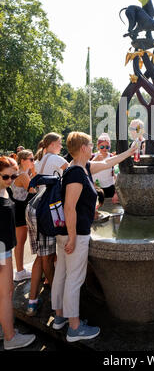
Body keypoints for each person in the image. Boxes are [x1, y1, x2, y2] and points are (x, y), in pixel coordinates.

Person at [51, 132, 137, 341]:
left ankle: (60, 318)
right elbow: (70, 208)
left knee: (62, 274)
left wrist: (130, 151)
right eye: (90, 144)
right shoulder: (76, 173)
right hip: (75, 233)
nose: (93, 148)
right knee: (74, 279)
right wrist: (73, 237)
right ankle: (75, 327)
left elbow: (109, 161)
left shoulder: (82, 168)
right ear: (83, 148)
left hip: (67, 233)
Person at [25, 133, 68, 316]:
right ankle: (57, 300)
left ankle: (32, 301)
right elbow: (72, 175)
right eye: (59, 143)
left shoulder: (39, 159)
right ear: (51, 144)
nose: (61, 146)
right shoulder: (56, 158)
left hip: (34, 206)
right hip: (46, 211)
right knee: (48, 258)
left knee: (40, 258)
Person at [0, 156, 36, 350]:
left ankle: (4, 327)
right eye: (7, 176)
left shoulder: (5, 190)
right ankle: (10, 337)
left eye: (14, 175)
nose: (12, 180)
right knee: (6, 294)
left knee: (5, 292)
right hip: (1, 250)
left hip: (4, 248)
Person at [9, 150, 36, 281]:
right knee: (20, 242)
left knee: (19, 242)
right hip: (20, 210)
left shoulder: (18, 173)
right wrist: (35, 172)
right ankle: (20, 271)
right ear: (23, 160)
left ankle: (20, 270)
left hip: (16, 208)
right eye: (31, 159)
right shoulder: (24, 176)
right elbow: (34, 191)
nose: (33, 161)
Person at [92, 133, 118, 201]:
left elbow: (115, 174)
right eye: (102, 147)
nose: (104, 149)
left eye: (107, 147)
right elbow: (87, 170)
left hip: (109, 187)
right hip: (96, 188)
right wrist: (95, 160)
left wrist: (116, 192)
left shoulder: (111, 157)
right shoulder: (92, 156)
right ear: (98, 146)